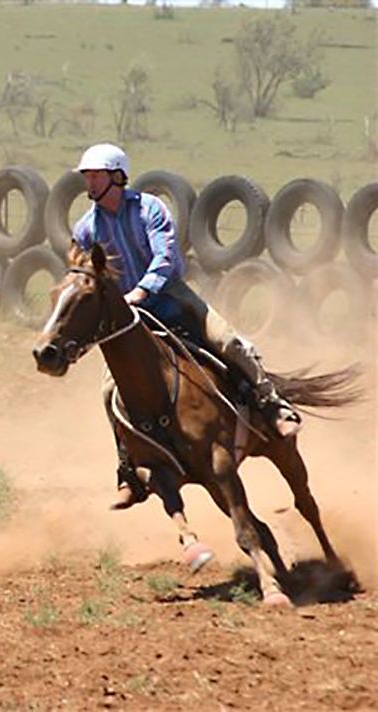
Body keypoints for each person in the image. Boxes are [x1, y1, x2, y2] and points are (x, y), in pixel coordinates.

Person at [70, 143, 303, 511]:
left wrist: (141, 290)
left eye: (96, 175)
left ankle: (274, 408)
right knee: (108, 393)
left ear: (117, 175)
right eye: (87, 176)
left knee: (228, 342)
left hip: (170, 297)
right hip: (128, 319)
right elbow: (84, 274)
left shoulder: (148, 208)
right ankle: (128, 471)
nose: (89, 181)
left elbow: (167, 256)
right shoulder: (86, 228)